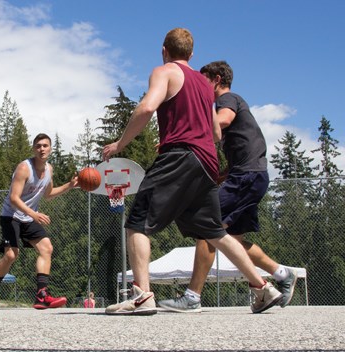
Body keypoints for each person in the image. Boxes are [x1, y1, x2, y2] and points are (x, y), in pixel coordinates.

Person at [101, 28, 282, 315]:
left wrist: (121, 143)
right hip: (207, 162)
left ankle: (141, 295)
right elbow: (216, 134)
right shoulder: (203, 83)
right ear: (192, 54)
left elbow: (148, 107)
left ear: (164, 50)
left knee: (137, 223)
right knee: (215, 232)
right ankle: (262, 288)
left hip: (180, 155)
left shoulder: (165, 72)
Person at [158, 61, 298, 313]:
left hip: (246, 177)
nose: (201, 86)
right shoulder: (232, 101)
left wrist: (182, 135)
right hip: (248, 176)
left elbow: (221, 122)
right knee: (230, 240)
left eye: (204, 81)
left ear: (217, 79)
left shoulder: (227, 99)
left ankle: (192, 297)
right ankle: (282, 273)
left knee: (206, 229)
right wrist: (223, 175)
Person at [0, 133, 78, 310]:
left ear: (50, 148)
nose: (42, 149)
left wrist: (69, 186)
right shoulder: (24, 168)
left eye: (45, 145)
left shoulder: (49, 170)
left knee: (46, 248)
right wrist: (33, 214)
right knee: (11, 255)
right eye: (38, 146)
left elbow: (48, 195)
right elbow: (13, 198)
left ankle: (41, 296)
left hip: (28, 216)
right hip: (11, 215)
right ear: (34, 148)